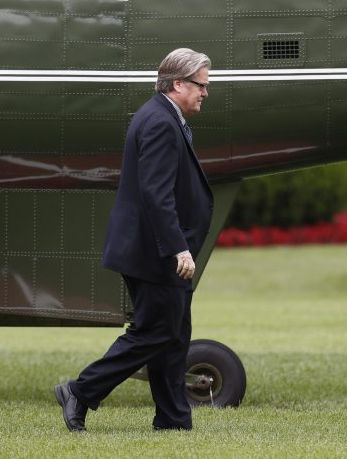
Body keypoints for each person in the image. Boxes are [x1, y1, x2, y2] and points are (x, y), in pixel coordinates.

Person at [54, 48, 214, 432]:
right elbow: (155, 193)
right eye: (201, 86)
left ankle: (173, 419)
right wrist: (178, 248)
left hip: (156, 248)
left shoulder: (161, 115)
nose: (205, 93)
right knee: (156, 331)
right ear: (178, 84)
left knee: (173, 334)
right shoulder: (160, 122)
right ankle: (81, 390)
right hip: (156, 251)